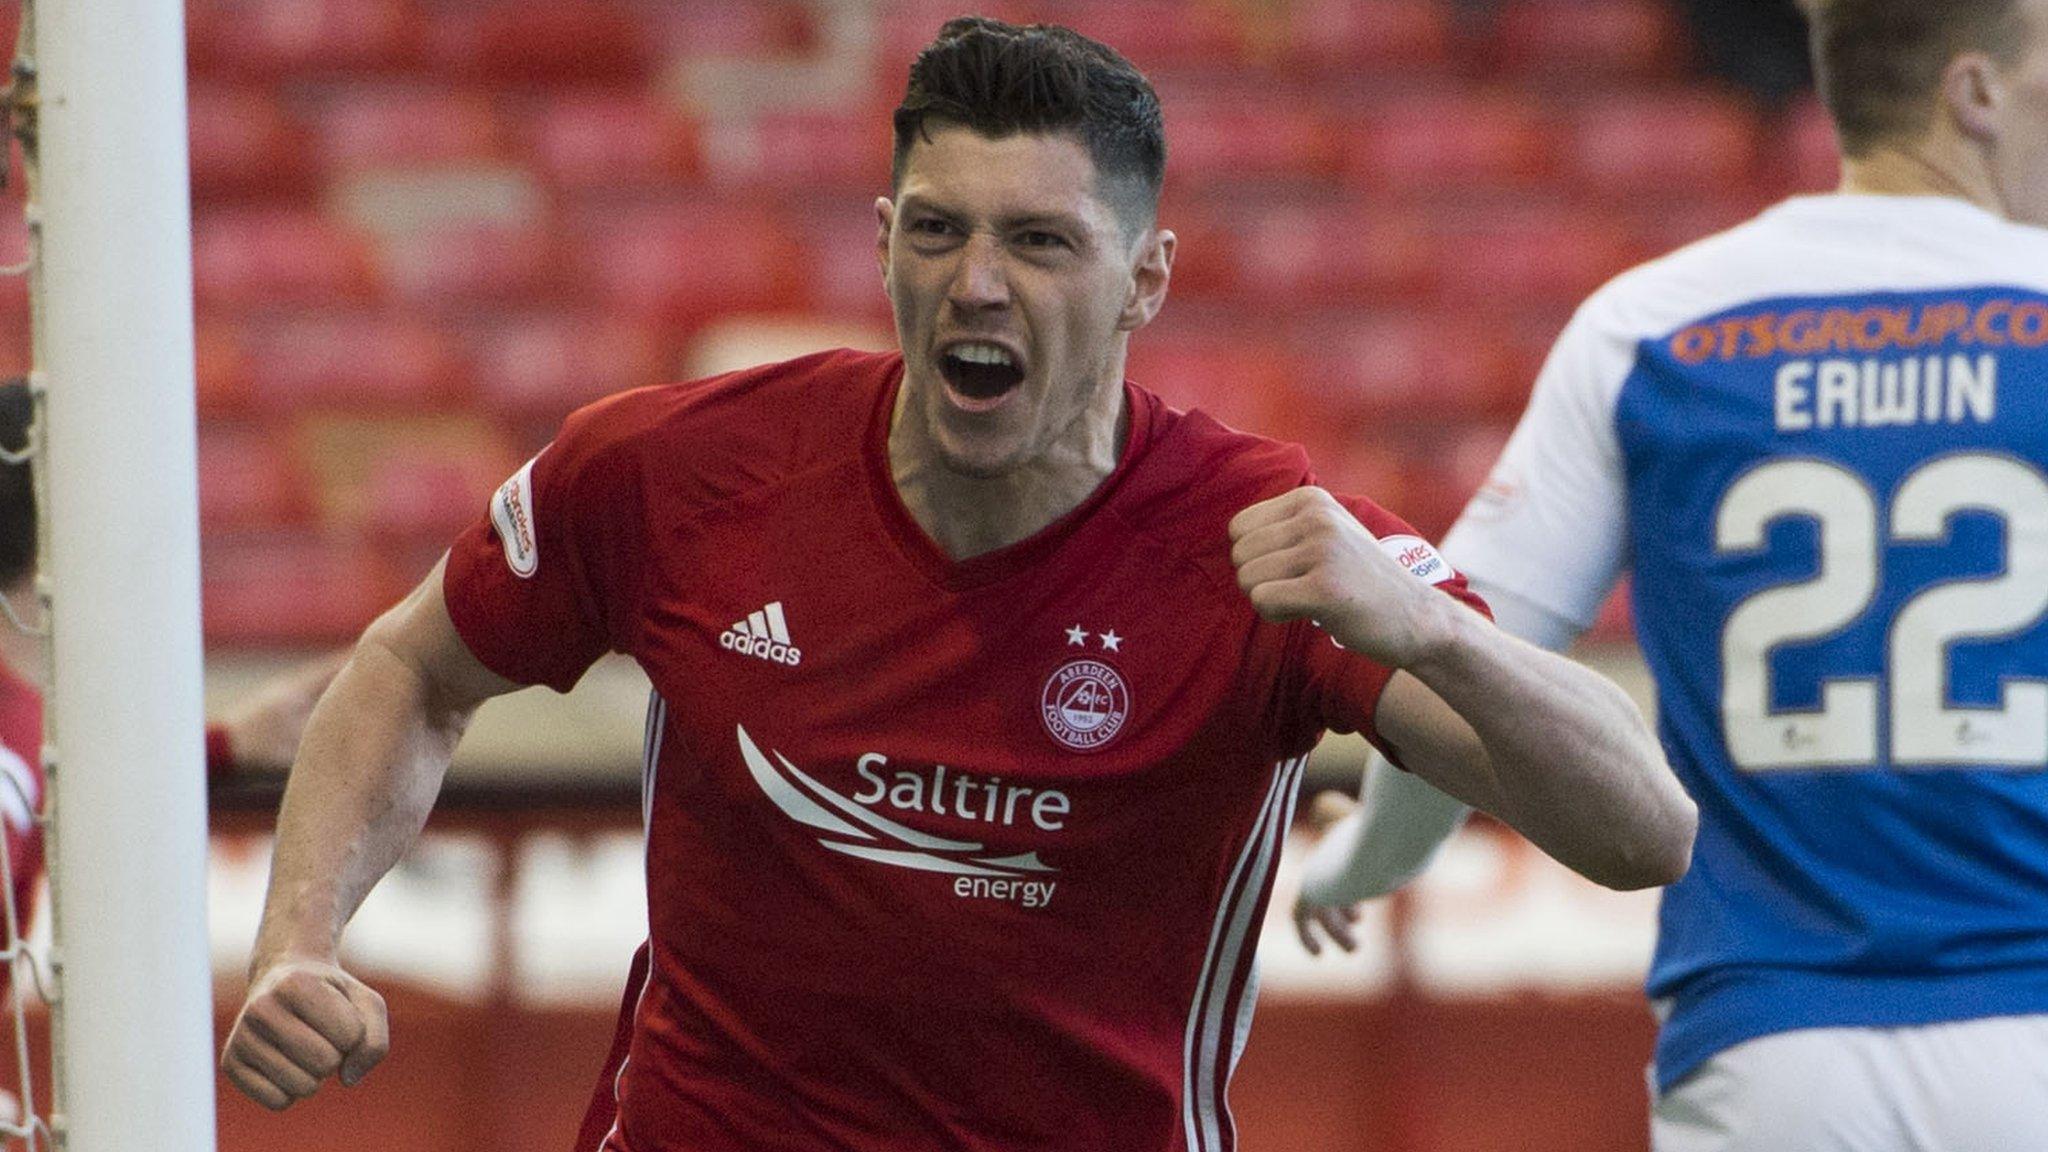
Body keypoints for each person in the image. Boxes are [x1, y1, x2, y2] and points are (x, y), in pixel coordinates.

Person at [218, 18, 1694, 1149]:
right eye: (937, 229)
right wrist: (299, 942)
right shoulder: (675, 471)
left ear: (1147, 280)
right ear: (883, 243)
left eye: (1041, 242)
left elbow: (1645, 834)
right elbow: (415, 668)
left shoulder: (1272, 547)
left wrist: (1438, 631)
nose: (976, 282)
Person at [1297, 1, 2048, 1147]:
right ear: (1975, 91)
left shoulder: (1652, 324)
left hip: (1767, 1048)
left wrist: (1366, 859)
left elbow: (1470, 652)